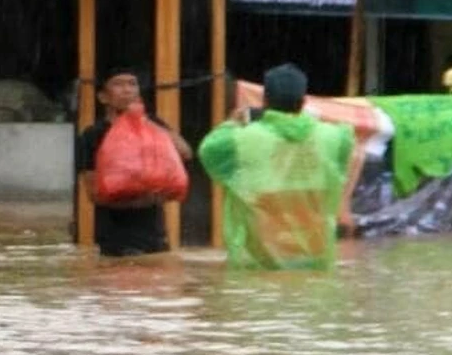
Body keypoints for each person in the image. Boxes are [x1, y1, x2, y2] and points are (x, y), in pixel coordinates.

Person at [198, 63, 354, 270]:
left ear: (265, 101)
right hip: (315, 264)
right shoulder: (333, 137)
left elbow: (208, 150)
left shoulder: (242, 140)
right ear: (303, 102)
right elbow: (347, 145)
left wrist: (232, 122)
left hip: (258, 266)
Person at [74, 70, 192, 258]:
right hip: (116, 239)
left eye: (132, 84)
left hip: (156, 235)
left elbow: (185, 152)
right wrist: (145, 199)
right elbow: (95, 195)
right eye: (118, 84)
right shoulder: (92, 135)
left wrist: (143, 120)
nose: (127, 90)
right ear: (103, 97)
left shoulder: (152, 126)